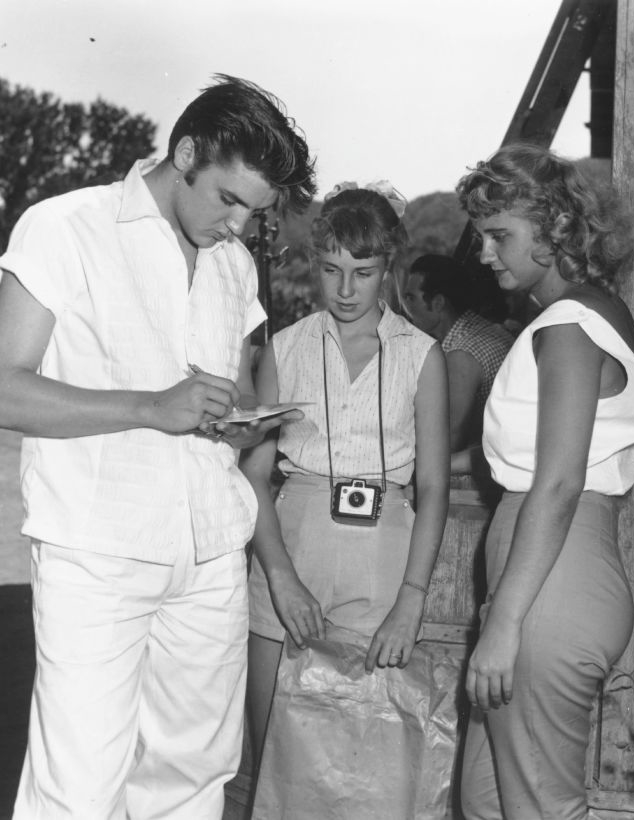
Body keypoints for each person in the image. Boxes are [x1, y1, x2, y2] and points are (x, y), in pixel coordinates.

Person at [0, 75, 316, 819]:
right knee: (80, 784)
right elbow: (0, 392)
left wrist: (242, 420)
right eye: (227, 199)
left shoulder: (231, 265)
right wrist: (151, 407)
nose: (236, 225)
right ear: (185, 151)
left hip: (209, 549)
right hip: (98, 550)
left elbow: (209, 411)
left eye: (253, 213)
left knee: (194, 774)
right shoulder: (66, 226)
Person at [455, 144, 634, 820]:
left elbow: (560, 482)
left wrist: (505, 622)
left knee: (538, 806)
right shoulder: (567, 319)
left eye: (499, 235)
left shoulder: (571, 326)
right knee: (486, 801)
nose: (485, 253)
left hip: (549, 584)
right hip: (537, 578)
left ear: (556, 229)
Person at [240, 183, 449, 777]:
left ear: (389, 268)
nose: (346, 289)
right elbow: (255, 476)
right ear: (314, 265)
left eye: (364, 271)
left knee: (355, 767)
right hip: (293, 544)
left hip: (382, 556)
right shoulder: (285, 348)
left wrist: (411, 600)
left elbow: (432, 488)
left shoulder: (421, 354)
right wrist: (280, 577)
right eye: (331, 270)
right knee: (274, 756)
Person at [401, 253, 514, 452]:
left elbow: (447, 441)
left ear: (437, 303)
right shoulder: (477, 330)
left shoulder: (462, 354)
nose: (406, 308)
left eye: (411, 298)